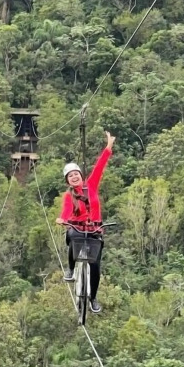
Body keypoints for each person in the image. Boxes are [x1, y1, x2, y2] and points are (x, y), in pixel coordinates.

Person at [56, 131, 115, 314]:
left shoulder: (92, 185)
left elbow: (100, 166)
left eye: (76, 174)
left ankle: (93, 298)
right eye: (70, 176)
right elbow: (66, 211)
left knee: (95, 265)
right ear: (67, 180)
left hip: (95, 228)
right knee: (73, 237)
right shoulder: (69, 196)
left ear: (81, 175)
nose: (74, 177)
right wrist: (63, 220)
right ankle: (71, 269)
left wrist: (108, 147)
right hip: (77, 228)